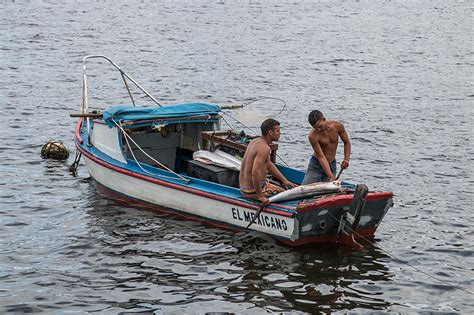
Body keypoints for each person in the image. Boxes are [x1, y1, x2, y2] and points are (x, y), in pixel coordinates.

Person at [239, 118, 297, 204]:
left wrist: (284, 180)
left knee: (284, 190)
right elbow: (255, 172)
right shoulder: (264, 148)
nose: (280, 133)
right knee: (289, 197)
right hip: (252, 191)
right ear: (270, 132)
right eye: (277, 131)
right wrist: (260, 196)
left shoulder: (254, 141)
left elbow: (268, 164)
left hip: (244, 187)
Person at [302, 110, 351, 184]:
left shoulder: (337, 126)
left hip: (332, 165)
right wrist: (330, 176)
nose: (318, 129)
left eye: (320, 126)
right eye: (316, 128)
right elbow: (321, 157)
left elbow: (347, 142)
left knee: (328, 193)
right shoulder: (312, 136)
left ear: (324, 119)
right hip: (316, 166)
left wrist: (346, 159)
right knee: (305, 190)